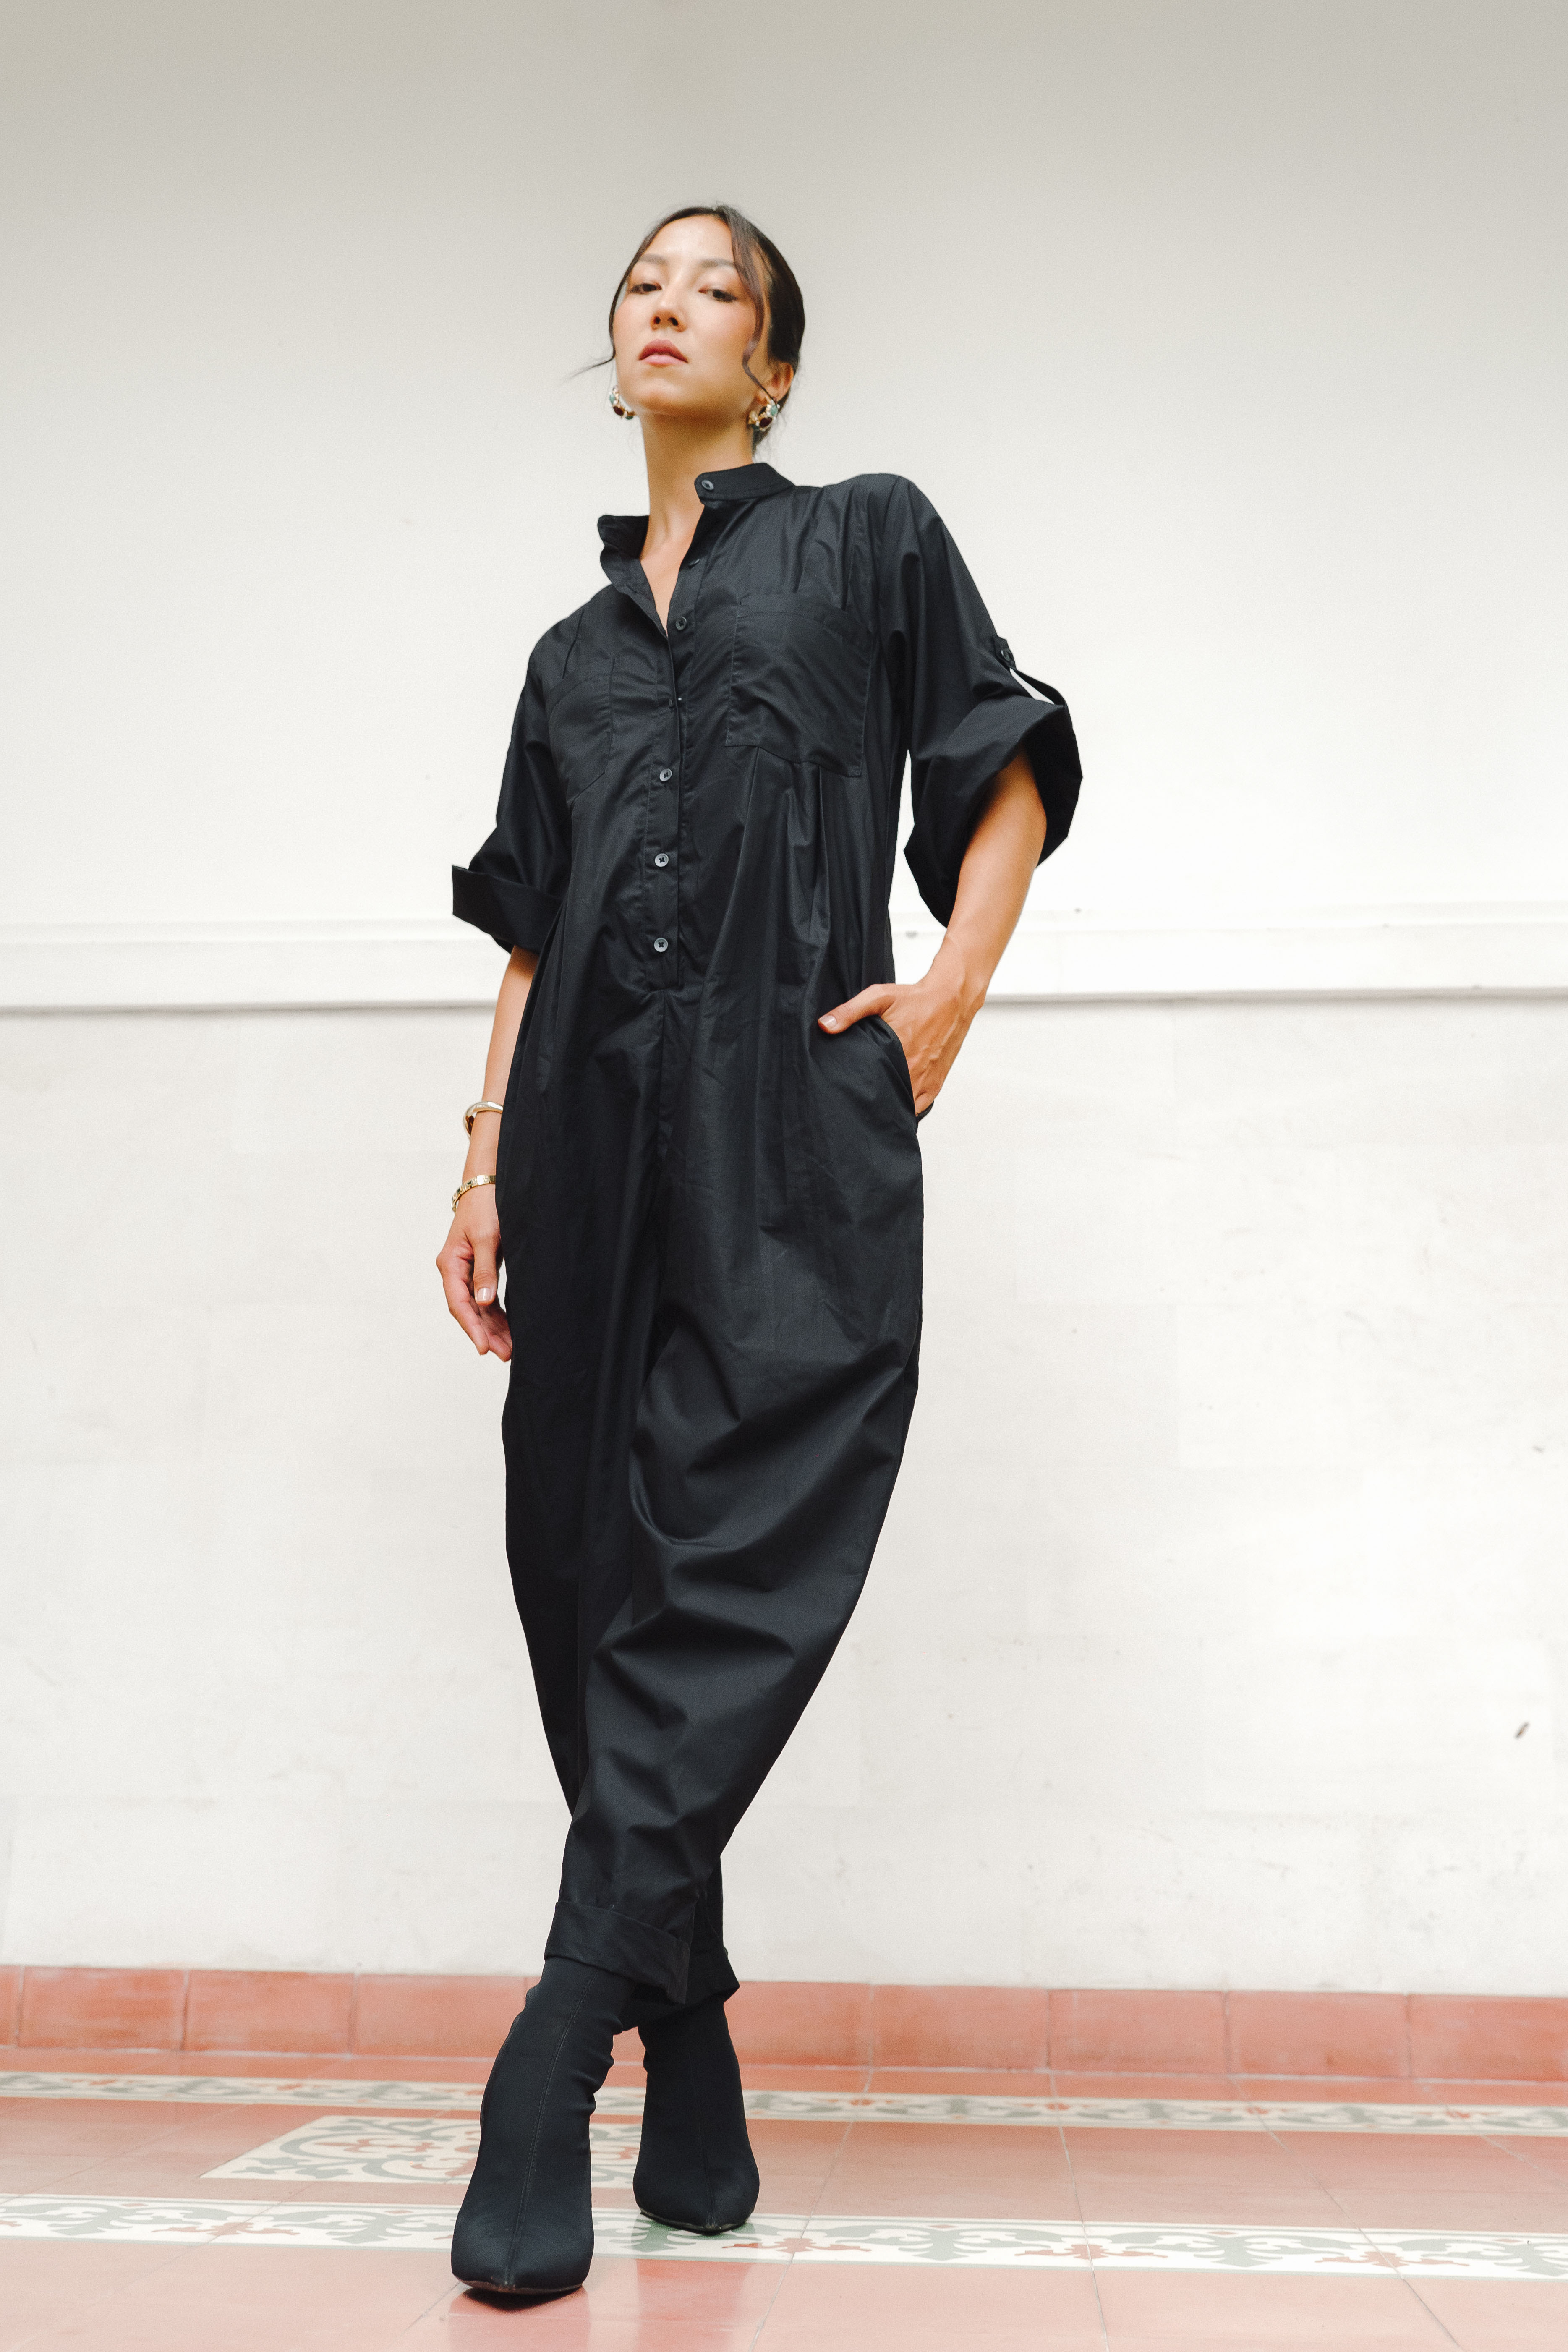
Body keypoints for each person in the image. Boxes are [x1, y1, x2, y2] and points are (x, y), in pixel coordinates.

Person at [436, 202, 1081, 2299]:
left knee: (730, 1558)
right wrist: (479, 1162)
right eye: (642, 282)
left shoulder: (866, 539)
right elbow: (532, 926)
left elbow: (998, 754)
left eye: (713, 287)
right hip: (579, 1139)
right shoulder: (566, 658)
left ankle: (556, 2043)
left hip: (789, 1122)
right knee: (583, 1580)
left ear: (773, 368)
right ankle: (690, 2028)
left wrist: (952, 985)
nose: (667, 305)